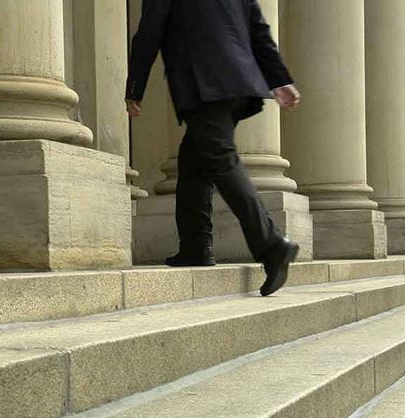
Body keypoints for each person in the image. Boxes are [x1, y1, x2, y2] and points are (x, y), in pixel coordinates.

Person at [126, 0, 301, 297]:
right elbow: (258, 30)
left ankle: (271, 246)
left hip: (204, 82)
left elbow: (150, 29)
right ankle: (195, 247)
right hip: (236, 81)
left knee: (220, 158)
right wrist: (279, 79)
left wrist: (135, 87)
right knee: (194, 159)